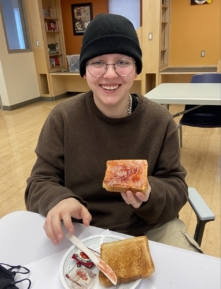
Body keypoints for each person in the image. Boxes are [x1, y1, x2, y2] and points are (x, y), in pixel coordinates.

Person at [25, 13, 202, 253]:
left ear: (136, 69)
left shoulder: (160, 122)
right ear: (85, 71)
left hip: (150, 227)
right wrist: (60, 200)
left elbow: (176, 187)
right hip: (81, 229)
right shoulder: (63, 118)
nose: (110, 74)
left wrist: (150, 192)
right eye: (97, 62)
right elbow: (40, 180)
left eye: (122, 62)